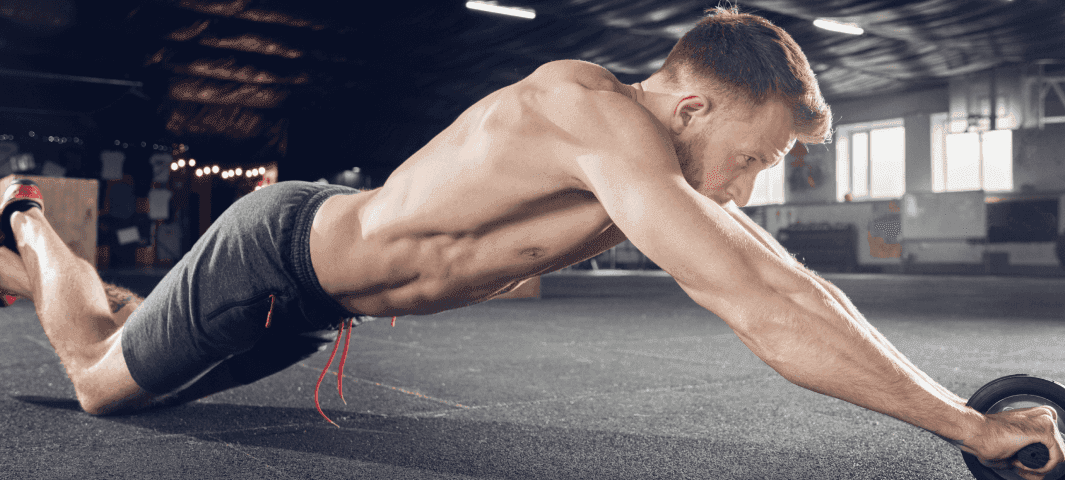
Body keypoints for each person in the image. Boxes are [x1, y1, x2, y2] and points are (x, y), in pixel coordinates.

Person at [2, 7, 1061, 478]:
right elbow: (752, 303)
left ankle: (116, 294)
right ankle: (27, 216)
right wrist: (962, 434)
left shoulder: (655, 166)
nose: (758, 181)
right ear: (691, 107)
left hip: (316, 298)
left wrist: (963, 413)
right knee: (99, 380)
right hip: (275, 256)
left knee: (143, 339)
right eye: (760, 153)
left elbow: (787, 280)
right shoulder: (586, 111)